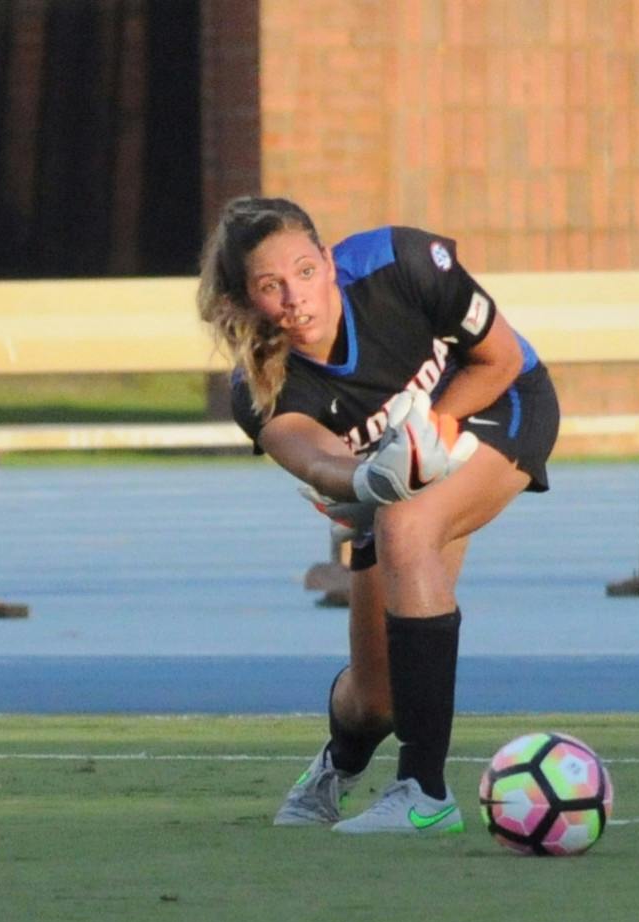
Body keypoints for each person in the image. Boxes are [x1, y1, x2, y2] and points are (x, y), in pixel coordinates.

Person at [198, 197, 559, 835]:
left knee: (405, 525)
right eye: (270, 286)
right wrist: (370, 476)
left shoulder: (403, 262)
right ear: (243, 300)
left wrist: (425, 436)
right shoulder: (256, 389)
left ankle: (423, 792)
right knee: (376, 699)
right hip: (394, 472)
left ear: (329, 263)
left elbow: (498, 360)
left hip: (504, 398)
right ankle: (341, 760)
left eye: (305, 272)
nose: (295, 298)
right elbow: (319, 465)